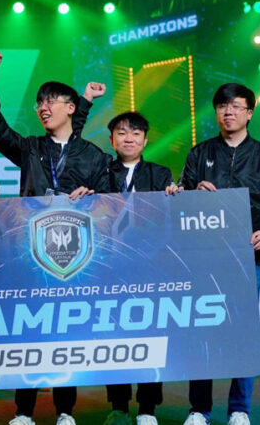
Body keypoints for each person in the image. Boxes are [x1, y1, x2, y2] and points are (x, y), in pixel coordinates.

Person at [0, 51, 110, 425]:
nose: (42, 108)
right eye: (39, 103)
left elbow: (110, 203)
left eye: (50, 101)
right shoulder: (32, 148)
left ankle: (65, 411)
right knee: (30, 332)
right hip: (31, 252)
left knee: (67, 334)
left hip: (77, 257)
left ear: (70, 108)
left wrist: (93, 198)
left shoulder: (94, 156)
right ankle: (23, 411)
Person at [178, 83, 260, 425]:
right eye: (222, 106)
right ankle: (199, 409)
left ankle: (240, 409)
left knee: (243, 333)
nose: (228, 112)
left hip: (247, 258)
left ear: (249, 113)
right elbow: (180, 202)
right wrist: (192, 194)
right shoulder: (199, 154)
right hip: (204, 257)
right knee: (203, 332)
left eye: (236, 106)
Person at [101, 111, 178, 425]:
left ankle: (148, 408)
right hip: (109, 267)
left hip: (149, 266)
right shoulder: (100, 172)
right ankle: (119, 406)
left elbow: (167, 220)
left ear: (145, 140)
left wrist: (175, 197)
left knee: (150, 336)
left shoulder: (160, 174)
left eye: (135, 133)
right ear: (112, 140)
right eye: (121, 133)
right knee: (113, 336)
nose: (128, 139)